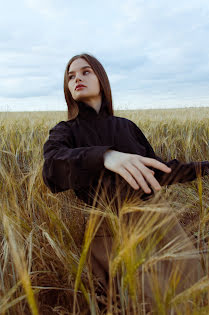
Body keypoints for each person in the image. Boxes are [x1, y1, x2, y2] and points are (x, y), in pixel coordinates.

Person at [42, 53, 209, 309]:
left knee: (188, 291)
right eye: (71, 76)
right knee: (132, 302)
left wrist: (205, 167)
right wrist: (104, 156)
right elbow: (51, 167)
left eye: (85, 72)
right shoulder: (66, 131)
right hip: (106, 228)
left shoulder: (127, 127)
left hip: (157, 220)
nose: (77, 79)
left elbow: (157, 171)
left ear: (101, 79)